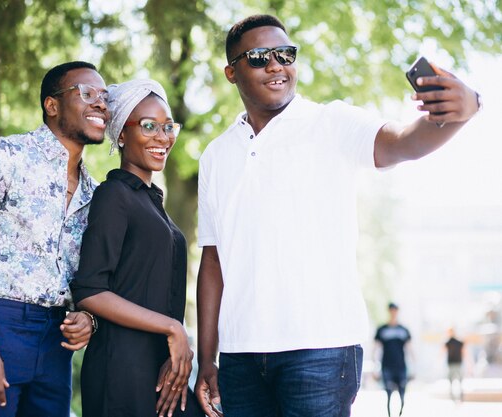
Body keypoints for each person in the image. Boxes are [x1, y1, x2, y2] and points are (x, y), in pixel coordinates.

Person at [194, 14, 482, 417]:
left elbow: (403, 142)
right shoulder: (215, 155)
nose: (276, 65)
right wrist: (207, 358)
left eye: (285, 54)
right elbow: (212, 261)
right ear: (231, 72)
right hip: (241, 356)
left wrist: (462, 111)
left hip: (321, 349)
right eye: (259, 57)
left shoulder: (329, 122)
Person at [0, 61, 108, 417]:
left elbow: (85, 277)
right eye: (87, 93)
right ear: (52, 105)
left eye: (106, 97)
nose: (101, 103)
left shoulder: (95, 192)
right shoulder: (5, 156)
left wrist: (88, 318)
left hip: (56, 345)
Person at [70, 79, 204, 417]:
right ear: (121, 134)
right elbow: (90, 290)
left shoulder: (150, 201)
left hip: (159, 365)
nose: (163, 137)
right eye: (149, 126)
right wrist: (173, 327)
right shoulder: (114, 195)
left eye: (168, 126)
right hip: (121, 368)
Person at [374, 303, 413, 417]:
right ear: (389, 311)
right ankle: (389, 414)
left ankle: (400, 413)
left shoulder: (403, 330)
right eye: (391, 310)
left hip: (401, 366)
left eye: (395, 310)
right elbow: (376, 348)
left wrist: (413, 367)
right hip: (386, 366)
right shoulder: (382, 329)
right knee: (388, 393)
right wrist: (375, 366)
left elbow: (410, 348)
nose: (393, 312)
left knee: (402, 394)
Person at [445, 327, 465, 402]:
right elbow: (443, 351)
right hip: (451, 363)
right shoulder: (447, 342)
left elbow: (464, 352)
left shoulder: (459, 342)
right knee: (451, 380)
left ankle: (460, 395)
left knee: (459, 379)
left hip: (457, 363)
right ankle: (452, 396)